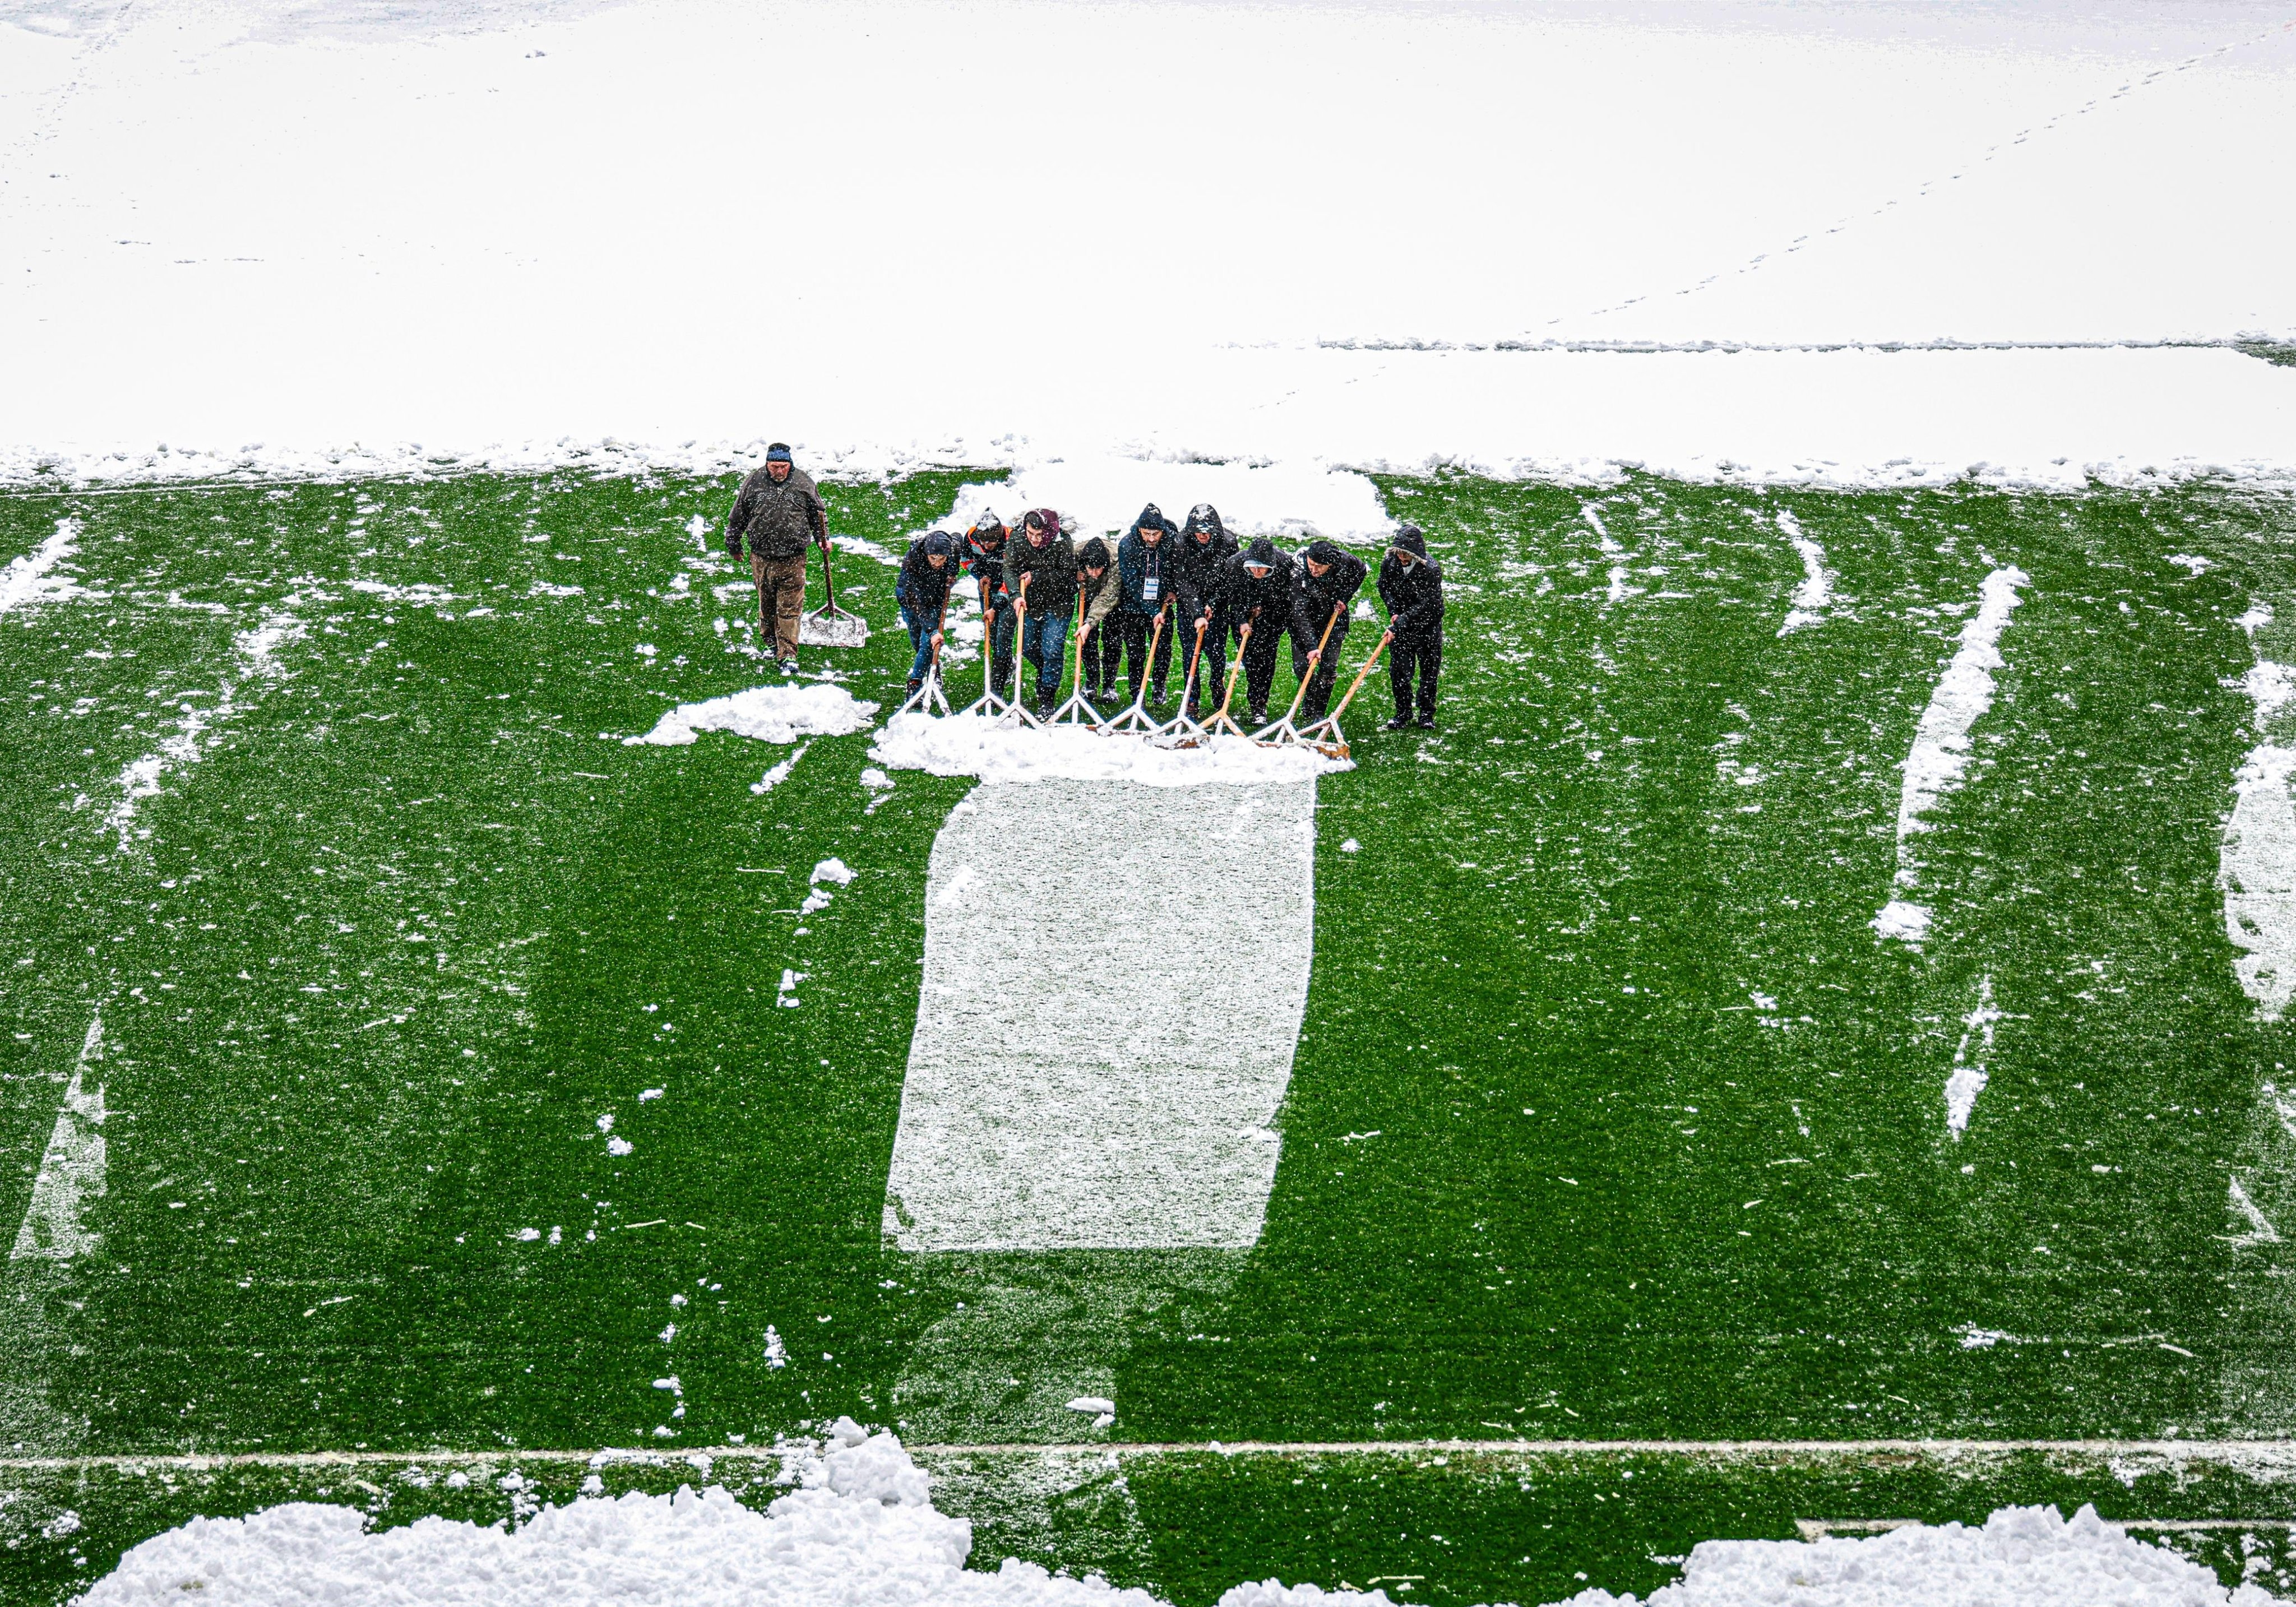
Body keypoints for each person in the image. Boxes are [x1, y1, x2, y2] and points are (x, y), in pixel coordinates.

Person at [724, 443, 828, 675]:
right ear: (767, 464)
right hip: (761, 558)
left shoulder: (803, 483)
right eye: (774, 467)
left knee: (790, 609)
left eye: (783, 466)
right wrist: (733, 544)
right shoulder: (754, 483)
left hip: (794, 559)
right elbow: (738, 516)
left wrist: (823, 538)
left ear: (790, 465)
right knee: (767, 606)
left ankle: (788, 654)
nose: (779, 471)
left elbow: (818, 514)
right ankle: (771, 643)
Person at [1004, 508, 1077, 716]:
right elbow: (1009, 569)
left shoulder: (1063, 541)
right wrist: (1016, 595)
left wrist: (1037, 577)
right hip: (1030, 603)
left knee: (1053, 649)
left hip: (1059, 604)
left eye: (1040, 535)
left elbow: (1068, 576)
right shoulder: (1017, 539)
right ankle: (1046, 671)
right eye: (1031, 534)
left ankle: (1047, 696)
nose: (1035, 540)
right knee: (1026, 646)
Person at [1289, 538, 1369, 723]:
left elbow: (1361, 570)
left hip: (1333, 620)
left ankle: (1318, 711)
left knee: (1328, 668)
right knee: (1302, 667)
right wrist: (1311, 646)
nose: (1314, 570)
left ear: (1330, 564)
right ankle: (1310, 694)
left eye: (1319, 566)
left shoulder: (1345, 561)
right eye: (1311, 564)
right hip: (1304, 620)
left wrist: (1344, 597)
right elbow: (1299, 612)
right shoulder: (1298, 569)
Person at [1219, 537, 1297, 725]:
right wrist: (1242, 620)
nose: (1256, 571)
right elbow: (1233, 597)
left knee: (1267, 662)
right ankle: (1255, 700)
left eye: (1262, 568)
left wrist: (1266, 609)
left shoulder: (1285, 565)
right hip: (1244, 619)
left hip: (1273, 618)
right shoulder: (1234, 565)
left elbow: (1286, 598)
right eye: (1253, 567)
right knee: (1252, 662)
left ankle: (1261, 704)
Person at [1377, 525, 1445, 729]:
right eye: (1400, 554)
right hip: (1402, 626)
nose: (1403, 559)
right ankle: (1403, 712)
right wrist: (1394, 610)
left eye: (1407, 555)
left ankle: (1426, 714)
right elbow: (1383, 586)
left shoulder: (1431, 570)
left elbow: (1427, 604)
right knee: (1399, 671)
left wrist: (1400, 622)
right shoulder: (1390, 563)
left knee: (1429, 672)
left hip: (1427, 627)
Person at [1173, 503, 1238, 715]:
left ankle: (1217, 683)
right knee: (1190, 653)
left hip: (1217, 606)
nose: (1203, 536)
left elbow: (1229, 578)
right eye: (1199, 532)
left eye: (1207, 532)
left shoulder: (1228, 542)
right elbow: (1182, 581)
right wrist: (1197, 612)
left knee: (1217, 652)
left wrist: (1214, 603)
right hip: (1189, 607)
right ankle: (1192, 696)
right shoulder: (1180, 543)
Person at [1114, 503, 1179, 705]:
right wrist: (1151, 611)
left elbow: (1176, 570)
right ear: (1140, 529)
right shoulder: (1127, 545)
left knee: (1162, 650)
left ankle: (1159, 685)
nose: (1151, 539)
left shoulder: (1171, 543)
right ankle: (1137, 692)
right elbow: (1132, 584)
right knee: (1136, 652)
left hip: (1162, 606)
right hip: (1133, 607)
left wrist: (1172, 590)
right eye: (1147, 533)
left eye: (1156, 533)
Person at [895, 531, 957, 696]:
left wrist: (953, 572)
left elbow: (958, 540)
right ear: (926, 554)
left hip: (935, 601)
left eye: (941, 559)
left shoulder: (953, 549)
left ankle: (914, 682)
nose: (937, 563)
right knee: (917, 641)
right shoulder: (912, 561)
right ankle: (934, 671)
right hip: (911, 601)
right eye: (933, 559)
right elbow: (914, 601)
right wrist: (932, 630)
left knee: (927, 644)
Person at [961, 510, 1016, 696]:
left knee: (1003, 636)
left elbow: (1013, 576)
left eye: (990, 542)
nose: (986, 546)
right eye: (983, 542)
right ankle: (1007, 663)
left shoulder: (1013, 541)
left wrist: (996, 607)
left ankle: (996, 688)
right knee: (992, 634)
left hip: (1010, 591)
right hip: (987, 588)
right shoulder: (971, 537)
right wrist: (980, 575)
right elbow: (966, 560)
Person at [1073, 535, 1123, 703]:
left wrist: (1089, 623)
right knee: (1088, 641)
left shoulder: (1117, 560)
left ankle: (1110, 685)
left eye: (1098, 569)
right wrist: (1075, 574)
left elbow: (1109, 596)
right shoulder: (1075, 554)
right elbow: (1061, 570)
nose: (1094, 574)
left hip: (1113, 600)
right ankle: (1091, 681)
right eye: (1090, 569)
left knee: (1113, 641)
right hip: (1087, 596)